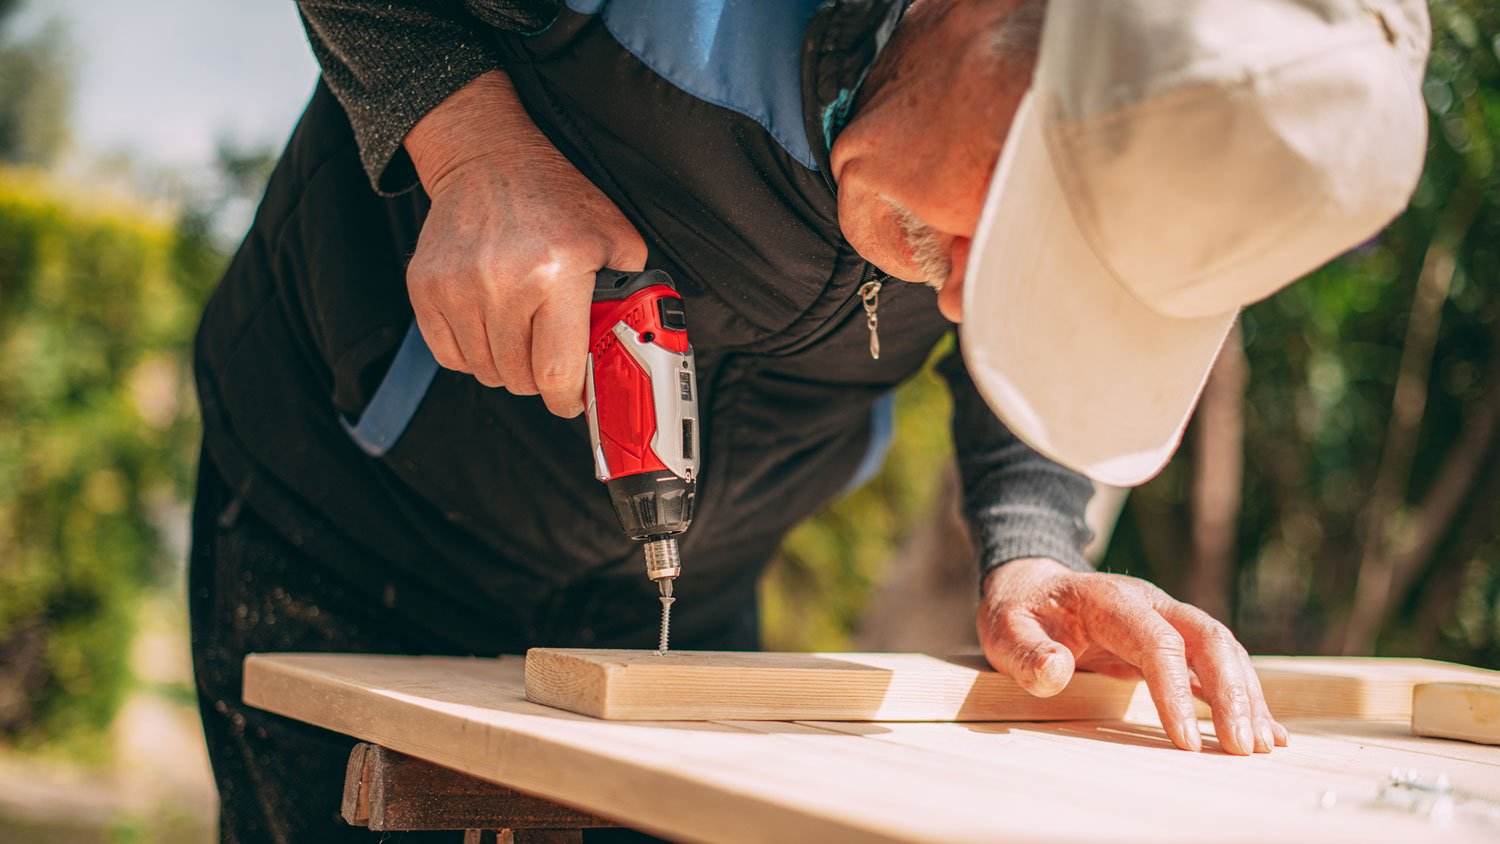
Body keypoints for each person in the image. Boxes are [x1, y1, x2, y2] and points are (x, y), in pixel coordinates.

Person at [190, 0, 1428, 840]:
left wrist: (1037, 543)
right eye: (1009, 245)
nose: (954, 297)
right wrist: (466, 139)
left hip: (685, 620)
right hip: (348, 527)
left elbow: (1016, 362)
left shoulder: (1021, 148)